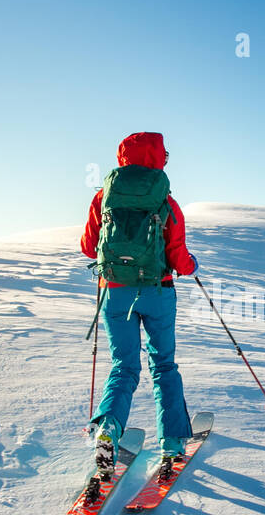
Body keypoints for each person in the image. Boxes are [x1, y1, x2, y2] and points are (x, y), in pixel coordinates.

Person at [80, 131, 198, 481]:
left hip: (115, 292)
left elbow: (89, 248)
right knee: (163, 366)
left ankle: (108, 429)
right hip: (157, 291)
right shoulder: (166, 200)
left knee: (124, 367)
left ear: (123, 157)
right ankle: (173, 443)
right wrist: (191, 264)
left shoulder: (104, 197)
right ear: (158, 157)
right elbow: (178, 256)